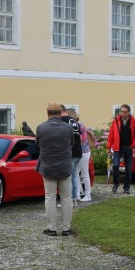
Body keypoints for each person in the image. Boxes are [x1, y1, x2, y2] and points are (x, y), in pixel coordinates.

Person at [35, 101, 74, 236]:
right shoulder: (68, 128)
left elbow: (38, 144)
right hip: (64, 166)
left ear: (47, 113)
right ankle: (66, 228)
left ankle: (51, 228)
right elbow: (71, 144)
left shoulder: (41, 128)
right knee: (66, 197)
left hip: (48, 166)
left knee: (50, 197)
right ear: (60, 113)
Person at [107, 104, 135, 194]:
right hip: (118, 147)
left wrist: (133, 144)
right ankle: (116, 184)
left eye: (125, 112)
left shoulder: (134, 121)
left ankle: (126, 187)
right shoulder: (116, 121)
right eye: (121, 112)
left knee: (129, 169)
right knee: (116, 166)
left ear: (129, 112)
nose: (123, 114)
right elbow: (111, 135)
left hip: (128, 147)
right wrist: (108, 147)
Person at [60, 105, 82, 206]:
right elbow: (79, 136)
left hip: (70, 152)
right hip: (78, 152)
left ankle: (68, 201)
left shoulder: (62, 121)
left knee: (67, 178)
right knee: (74, 177)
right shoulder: (74, 121)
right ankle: (74, 199)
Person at [76, 112, 95, 202]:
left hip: (83, 153)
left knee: (83, 173)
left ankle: (87, 194)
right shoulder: (80, 124)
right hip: (85, 152)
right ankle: (80, 193)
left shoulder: (78, 126)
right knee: (77, 173)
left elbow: (81, 140)